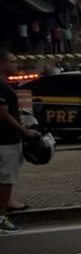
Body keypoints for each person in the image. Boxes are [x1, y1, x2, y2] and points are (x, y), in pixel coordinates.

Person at [1, 49, 40, 234]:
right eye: (12, 62)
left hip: (6, 139)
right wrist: (24, 131)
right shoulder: (1, 86)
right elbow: (2, 114)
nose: (16, 65)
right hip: (6, 140)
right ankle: (1, 219)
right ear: (2, 64)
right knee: (5, 180)